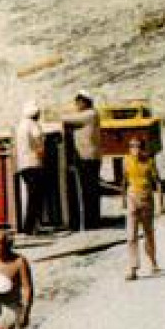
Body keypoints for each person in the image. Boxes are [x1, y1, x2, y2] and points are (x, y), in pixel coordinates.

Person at [123, 137, 164, 279]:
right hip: (132, 199)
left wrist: (161, 204)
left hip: (146, 199)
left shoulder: (149, 162)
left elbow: (158, 182)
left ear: (143, 148)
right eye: (132, 146)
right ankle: (133, 268)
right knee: (131, 235)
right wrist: (123, 201)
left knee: (148, 234)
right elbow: (124, 181)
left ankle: (153, 262)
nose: (135, 149)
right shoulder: (127, 161)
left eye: (138, 146)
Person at [60, 92, 102, 230]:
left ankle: (91, 222)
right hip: (87, 157)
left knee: (90, 191)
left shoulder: (90, 115)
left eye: (79, 102)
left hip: (88, 157)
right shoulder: (88, 115)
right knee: (88, 190)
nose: (77, 105)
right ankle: (90, 220)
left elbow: (66, 119)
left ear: (86, 102)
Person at [15, 101, 48, 234]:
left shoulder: (21, 125)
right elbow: (39, 142)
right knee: (35, 197)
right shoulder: (34, 125)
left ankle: (29, 226)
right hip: (34, 164)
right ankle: (31, 226)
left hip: (23, 165)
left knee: (31, 196)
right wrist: (43, 156)